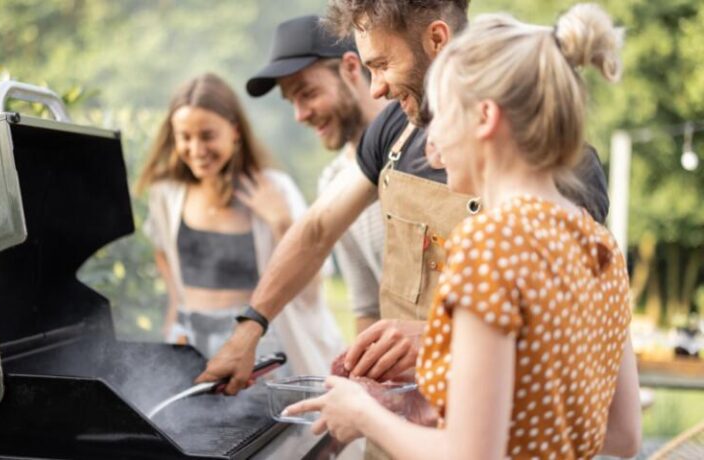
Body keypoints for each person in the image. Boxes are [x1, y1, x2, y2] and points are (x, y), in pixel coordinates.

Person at [196, 0, 609, 395]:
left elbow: (564, 335)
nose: (375, 90)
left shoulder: (559, 164)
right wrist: (250, 327)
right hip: (394, 425)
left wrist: (437, 339)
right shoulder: (395, 128)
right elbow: (318, 230)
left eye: (382, 64)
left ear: (437, 39)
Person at [284, 5, 642, 459]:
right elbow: (623, 437)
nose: (431, 144)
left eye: (443, 116)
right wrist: (432, 411)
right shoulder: (599, 246)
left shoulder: (488, 244)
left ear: (485, 118)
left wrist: (361, 414)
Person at [136, 73, 342, 375]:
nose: (196, 149)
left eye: (207, 136)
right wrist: (174, 313)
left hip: (256, 344)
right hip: (188, 341)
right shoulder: (166, 194)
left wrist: (281, 220)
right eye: (185, 137)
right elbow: (162, 251)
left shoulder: (275, 188)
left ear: (234, 131)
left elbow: (313, 280)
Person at [246, 15, 388, 334]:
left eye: (307, 93)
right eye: (292, 101)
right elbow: (368, 307)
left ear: (351, 68)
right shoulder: (332, 181)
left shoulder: (420, 143)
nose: (299, 115)